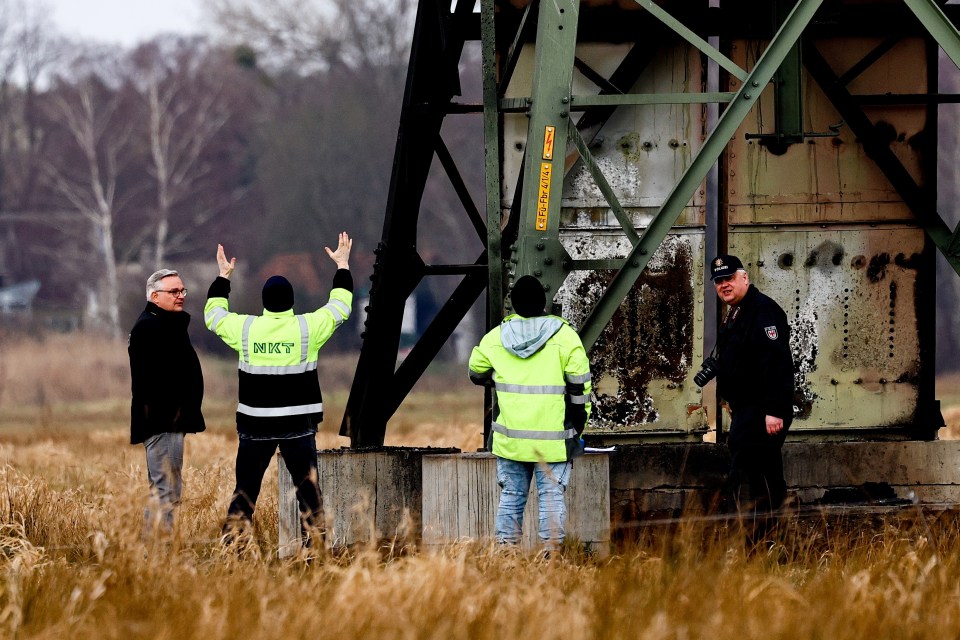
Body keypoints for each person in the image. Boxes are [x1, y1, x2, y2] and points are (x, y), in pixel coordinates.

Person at [204, 233, 352, 546]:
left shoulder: (246, 329)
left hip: (255, 426)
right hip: (298, 427)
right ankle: (316, 552)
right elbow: (340, 308)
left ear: (264, 302)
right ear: (291, 302)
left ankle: (230, 549)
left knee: (244, 493)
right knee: (308, 494)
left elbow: (213, 316)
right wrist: (342, 266)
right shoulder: (306, 328)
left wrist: (222, 278)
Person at [468, 275, 592, 552]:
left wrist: (499, 376)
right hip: (554, 440)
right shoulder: (565, 337)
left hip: (510, 439)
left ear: (512, 304)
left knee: (511, 497)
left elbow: (476, 372)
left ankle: (506, 558)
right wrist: (578, 424)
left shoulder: (495, 337)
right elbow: (580, 387)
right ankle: (551, 560)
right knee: (551, 498)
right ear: (543, 302)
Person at [709, 254, 794, 512]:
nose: (724, 285)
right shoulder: (738, 311)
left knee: (753, 477)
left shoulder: (762, 310)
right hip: (747, 410)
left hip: (762, 412)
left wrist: (775, 411)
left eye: (730, 278)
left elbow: (777, 363)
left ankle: (760, 538)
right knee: (760, 475)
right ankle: (764, 540)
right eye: (719, 281)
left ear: (744, 277)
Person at [128, 269, 206, 534]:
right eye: (174, 291)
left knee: (165, 489)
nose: (181, 296)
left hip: (170, 421)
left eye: (182, 291)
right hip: (163, 422)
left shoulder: (165, 322)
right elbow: (153, 380)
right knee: (167, 491)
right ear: (154, 296)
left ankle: (157, 551)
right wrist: (176, 412)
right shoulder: (149, 327)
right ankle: (160, 553)